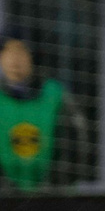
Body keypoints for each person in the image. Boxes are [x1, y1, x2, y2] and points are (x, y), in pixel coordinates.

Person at [0, 36, 92, 191]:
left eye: (21, 51)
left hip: (53, 199)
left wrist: (51, 191)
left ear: (33, 56)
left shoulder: (55, 95)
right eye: (7, 51)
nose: (14, 59)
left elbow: (76, 148)